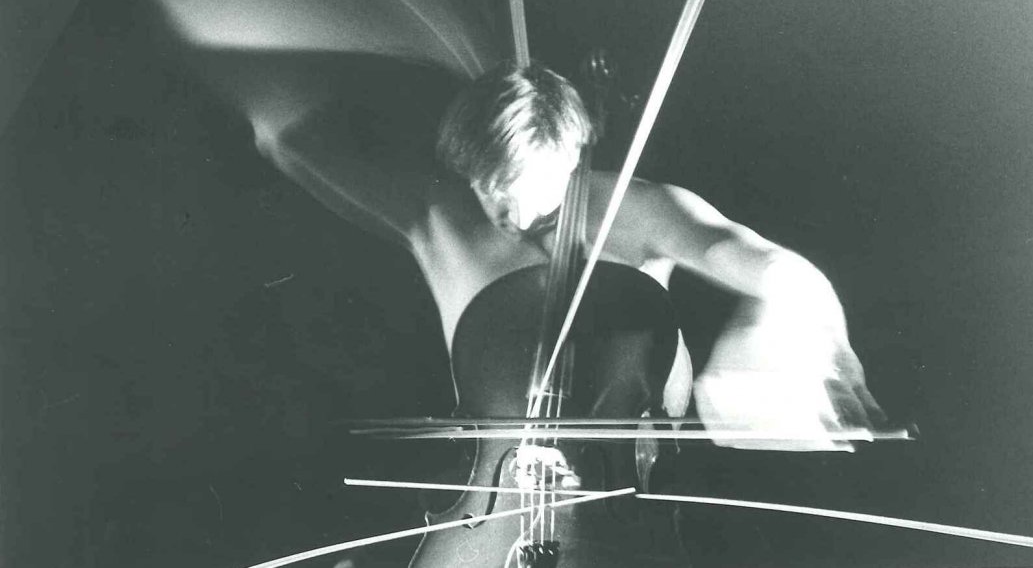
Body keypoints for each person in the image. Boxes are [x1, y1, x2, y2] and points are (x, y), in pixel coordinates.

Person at [245, 57, 886, 451]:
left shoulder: (639, 208)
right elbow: (293, 143)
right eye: (487, 189)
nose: (506, 216)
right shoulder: (441, 217)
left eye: (523, 189)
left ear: (573, 157)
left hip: (636, 462)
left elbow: (772, 268)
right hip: (497, 473)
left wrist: (804, 332)